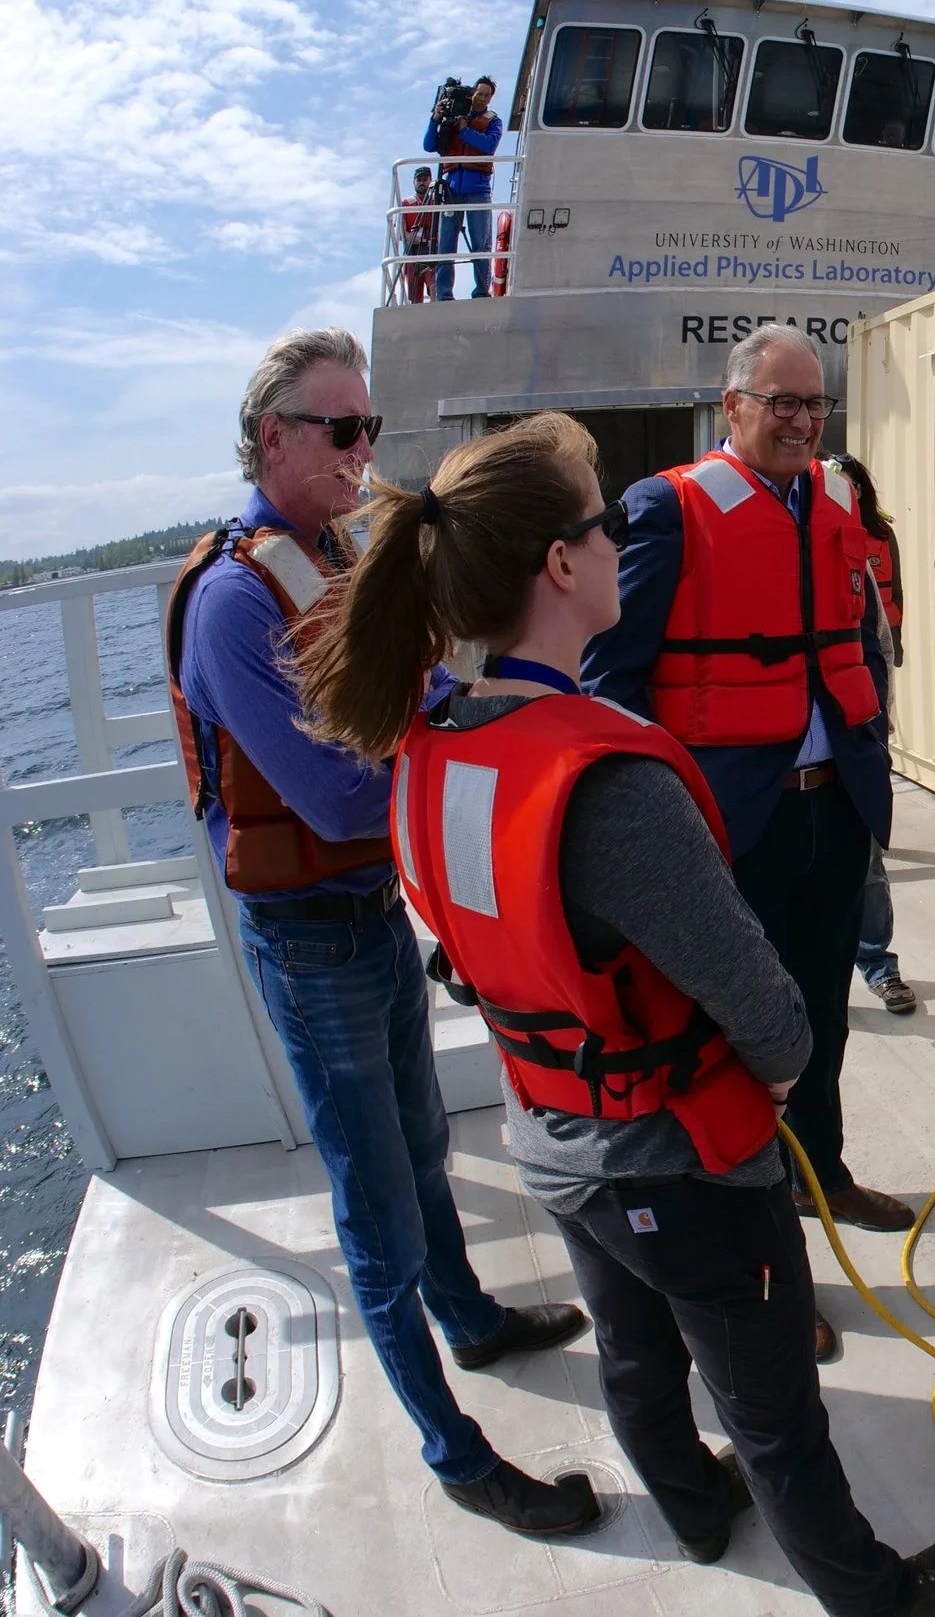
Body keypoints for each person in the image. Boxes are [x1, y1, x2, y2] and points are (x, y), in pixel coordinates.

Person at [296, 412, 935, 1617]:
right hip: (676, 1158)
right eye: (607, 522)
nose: (624, 540)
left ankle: (695, 1514)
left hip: (550, 1139)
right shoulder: (606, 777)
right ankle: (872, 1594)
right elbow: (768, 1012)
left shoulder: (429, 749)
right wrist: (778, 1071)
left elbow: (468, 953)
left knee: (633, 1353)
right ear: (560, 564)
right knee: (772, 1411)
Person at [165, 329, 590, 1535]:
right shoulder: (235, 603)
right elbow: (337, 797)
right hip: (309, 937)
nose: (365, 449)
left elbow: (420, 698)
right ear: (272, 441)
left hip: (369, 909)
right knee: (376, 1202)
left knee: (422, 1137)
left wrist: (493, 709)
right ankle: (455, 1452)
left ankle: (471, 1320)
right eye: (341, 428)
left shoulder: (340, 558)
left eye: (371, 426)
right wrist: (460, 748)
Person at [584, 324, 915, 1367]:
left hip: (834, 808)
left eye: (814, 404)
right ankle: (773, 1272)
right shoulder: (666, 508)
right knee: (738, 1054)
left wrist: (871, 738)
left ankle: (826, 1175)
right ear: (732, 406)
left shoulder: (833, 502)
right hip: (732, 827)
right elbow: (611, 681)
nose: (802, 421)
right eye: (781, 402)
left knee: (822, 1018)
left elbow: (859, 637)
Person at [832, 451, 914, 1017]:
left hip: (857, 734)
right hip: (783, 752)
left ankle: (877, 963)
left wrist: (877, 725)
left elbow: (880, 641)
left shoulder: (867, 550)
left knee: (867, 861)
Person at [423, 75, 502, 300]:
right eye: (479, 93)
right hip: (452, 188)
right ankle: (444, 294)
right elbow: (429, 145)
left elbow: (489, 145)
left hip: (478, 188)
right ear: (472, 93)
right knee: (446, 243)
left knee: (480, 242)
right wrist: (435, 119)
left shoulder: (493, 121)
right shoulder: (453, 115)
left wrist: (465, 130)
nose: (482, 98)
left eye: (487, 95)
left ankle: (481, 291)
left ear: (490, 99)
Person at [398, 167, 439, 305]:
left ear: (430, 181)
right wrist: (415, 238)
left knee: (434, 284)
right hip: (413, 252)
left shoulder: (437, 203)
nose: (422, 182)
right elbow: (401, 233)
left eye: (425, 179)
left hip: (431, 251)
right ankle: (417, 314)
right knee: (415, 292)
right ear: (414, 182)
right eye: (419, 180)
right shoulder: (405, 204)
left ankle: (435, 311)